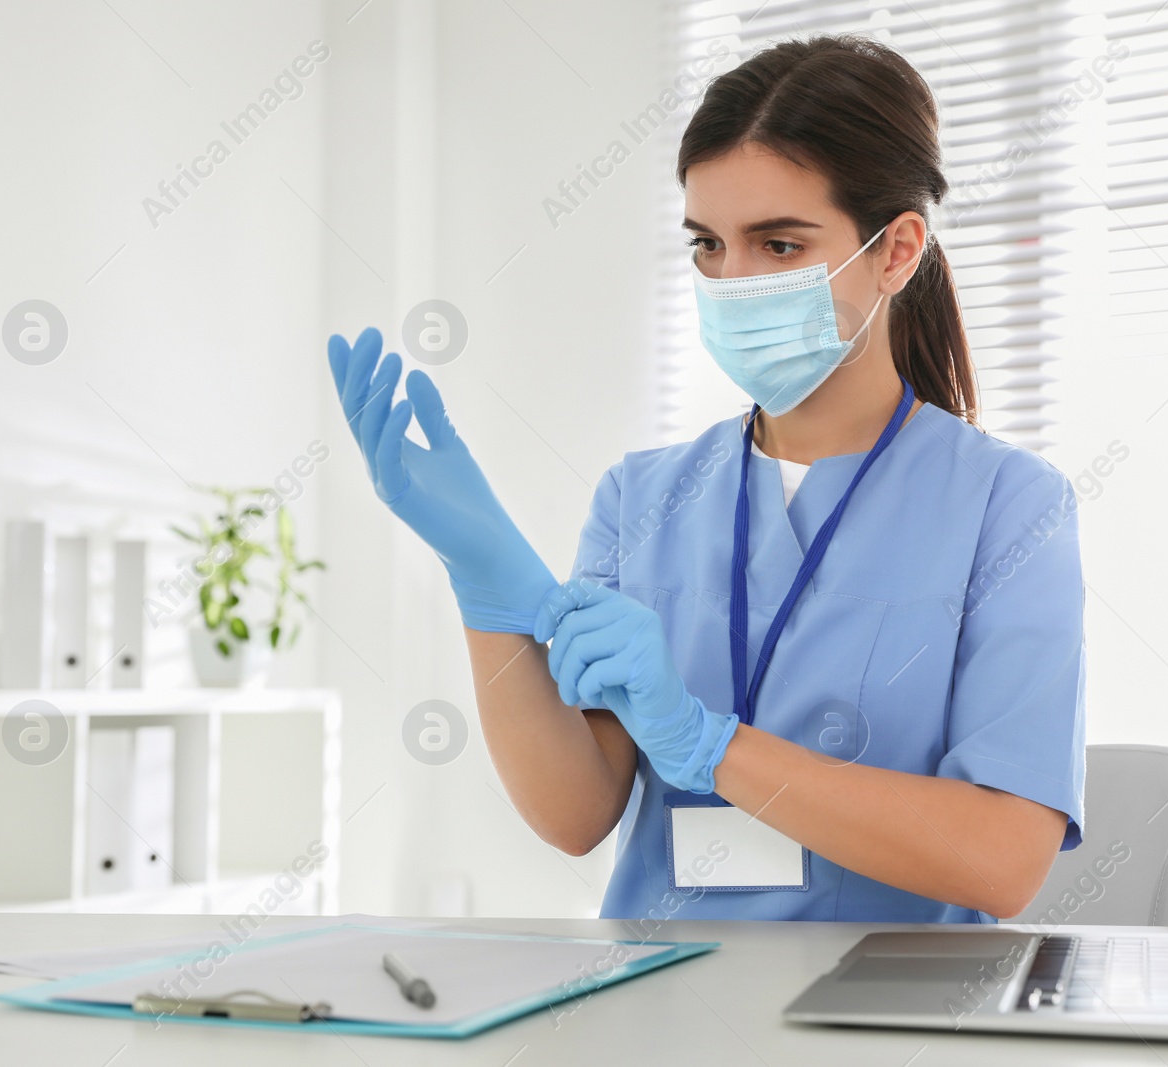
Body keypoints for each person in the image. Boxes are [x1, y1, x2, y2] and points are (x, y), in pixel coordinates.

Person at [328, 34, 1084, 923]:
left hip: (884, 1017)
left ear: (896, 251)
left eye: (777, 244)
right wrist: (485, 588)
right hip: (655, 1001)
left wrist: (708, 744)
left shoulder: (1009, 507)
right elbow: (576, 816)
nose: (732, 281)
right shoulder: (640, 499)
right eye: (708, 245)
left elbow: (1001, 862)